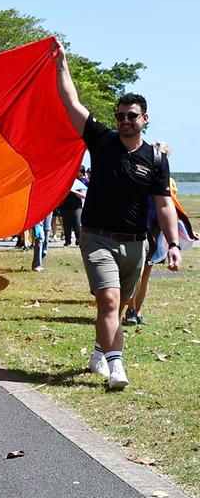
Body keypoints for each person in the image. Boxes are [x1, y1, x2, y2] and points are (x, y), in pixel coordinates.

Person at [55, 44, 181, 390]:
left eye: (132, 115)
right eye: (121, 115)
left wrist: (173, 243)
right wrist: (61, 65)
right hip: (96, 236)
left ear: (145, 118)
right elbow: (72, 103)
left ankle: (99, 350)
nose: (125, 120)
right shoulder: (102, 141)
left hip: (135, 243)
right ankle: (117, 367)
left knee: (119, 306)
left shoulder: (155, 159)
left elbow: (165, 204)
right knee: (108, 300)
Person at [125, 148, 197, 324]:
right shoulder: (141, 175)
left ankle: (136, 311)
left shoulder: (164, 180)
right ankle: (130, 310)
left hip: (155, 232)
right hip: (140, 230)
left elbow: (173, 207)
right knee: (136, 273)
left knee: (144, 274)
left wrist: (186, 231)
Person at [60, 166, 87, 246]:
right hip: (65, 206)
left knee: (77, 223)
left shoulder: (79, 182)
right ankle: (67, 241)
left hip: (77, 206)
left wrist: (73, 191)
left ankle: (78, 240)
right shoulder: (66, 181)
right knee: (66, 224)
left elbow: (83, 195)